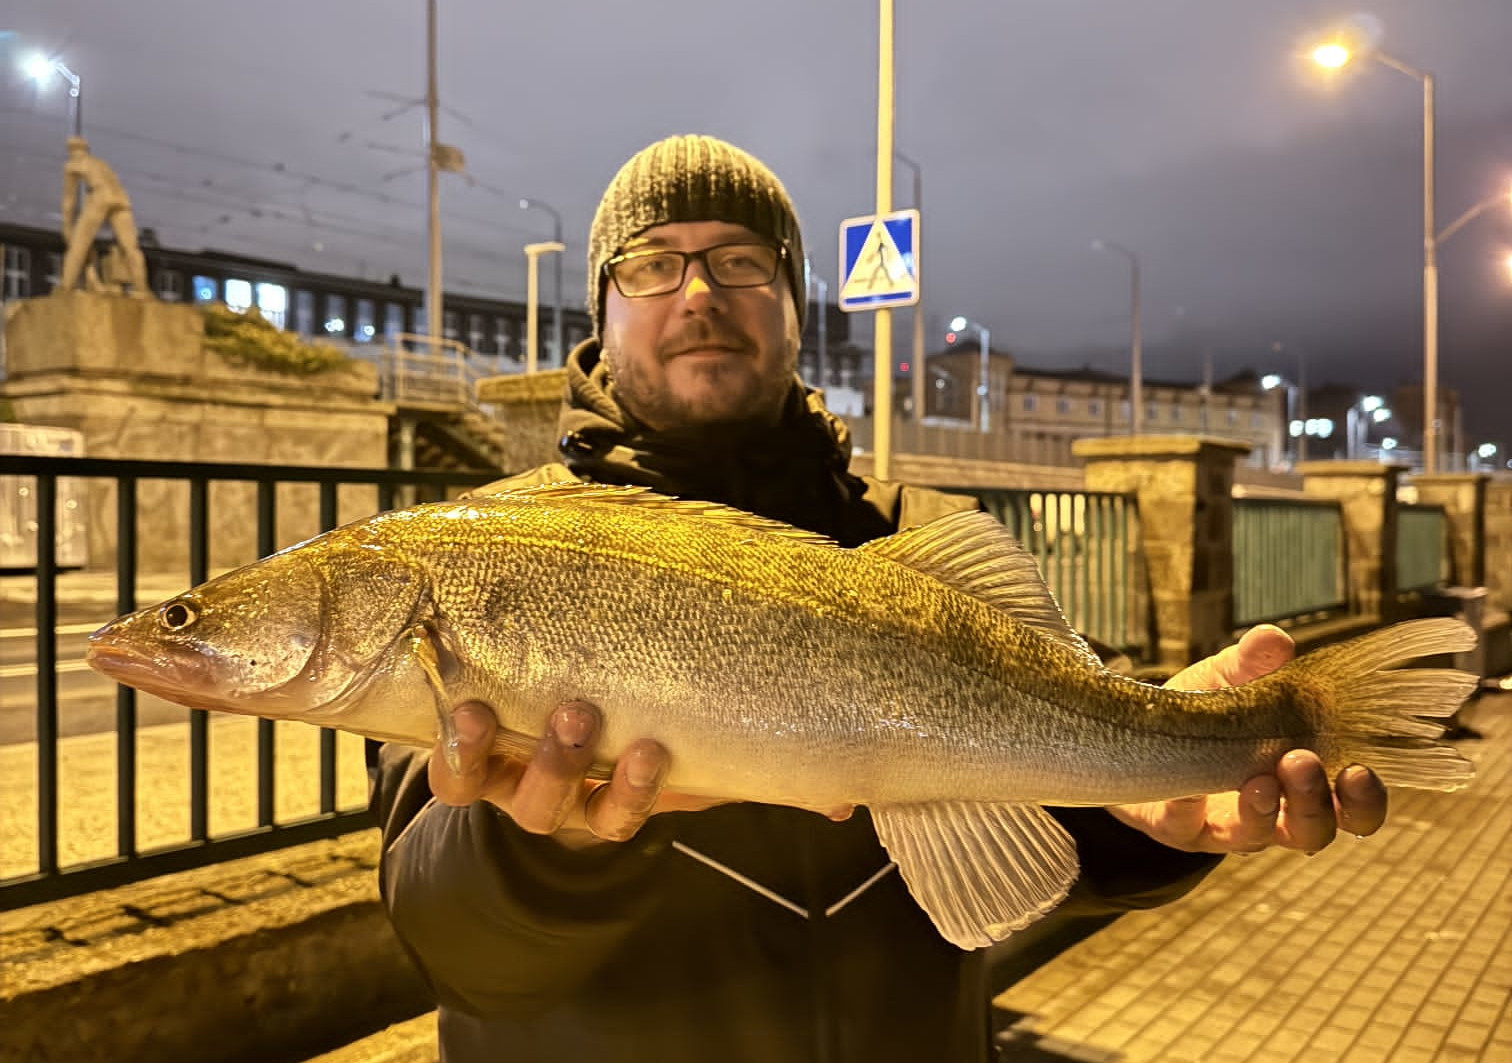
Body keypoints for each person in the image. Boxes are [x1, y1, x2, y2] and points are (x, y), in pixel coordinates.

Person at [369, 134, 1388, 1063]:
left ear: (793, 302)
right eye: (650, 262)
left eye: (740, 260)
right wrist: (537, 850)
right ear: (601, 308)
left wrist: (1156, 799)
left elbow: (1030, 831)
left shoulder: (918, 540)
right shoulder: (488, 555)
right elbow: (448, 946)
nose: (697, 294)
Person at [59, 137, 151, 296]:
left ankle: (66, 286)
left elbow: (69, 199)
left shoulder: (73, 164)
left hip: (100, 196)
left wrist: (67, 224)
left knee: (79, 243)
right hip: (121, 199)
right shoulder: (100, 164)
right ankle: (141, 288)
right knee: (130, 247)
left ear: (71, 150)